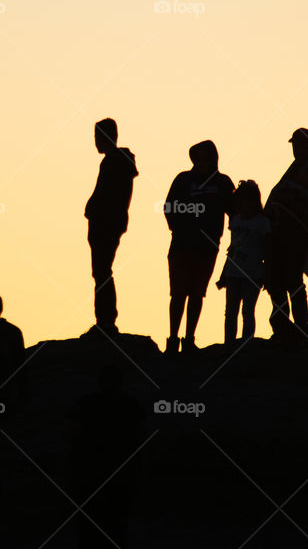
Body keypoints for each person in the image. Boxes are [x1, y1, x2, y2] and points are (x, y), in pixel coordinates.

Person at [264, 128, 308, 341]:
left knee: (293, 281)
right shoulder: (294, 170)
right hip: (279, 234)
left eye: (301, 145)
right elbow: (280, 195)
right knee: (275, 280)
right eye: (295, 146)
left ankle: (302, 328)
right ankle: (281, 326)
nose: (297, 150)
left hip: (301, 236)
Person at [163, 140, 234, 354]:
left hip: (207, 247)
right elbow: (169, 206)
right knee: (178, 294)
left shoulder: (223, 182)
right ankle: (173, 339)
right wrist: (179, 228)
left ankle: (189, 339)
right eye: (199, 158)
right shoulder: (183, 179)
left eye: (207, 158)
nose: (203, 162)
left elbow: (235, 210)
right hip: (181, 246)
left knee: (197, 294)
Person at [67, 365, 144, 549]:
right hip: (116, 474)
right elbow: (139, 438)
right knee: (116, 526)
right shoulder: (129, 404)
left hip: (92, 474)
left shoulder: (87, 403)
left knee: (91, 528)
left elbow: (72, 434)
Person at [84, 118, 138, 337]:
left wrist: (95, 212)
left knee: (102, 271)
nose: (96, 142)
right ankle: (105, 320)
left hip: (106, 224)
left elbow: (110, 196)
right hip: (106, 223)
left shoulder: (114, 161)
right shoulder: (116, 161)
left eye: (98, 137)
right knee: (101, 271)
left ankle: (106, 321)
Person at [215, 180, 271, 343]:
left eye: (243, 201)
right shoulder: (235, 220)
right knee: (230, 311)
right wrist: (224, 273)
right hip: (233, 272)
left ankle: (246, 343)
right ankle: (229, 343)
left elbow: (268, 250)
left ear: (253, 201)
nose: (239, 206)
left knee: (248, 311)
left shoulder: (262, 222)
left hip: (253, 273)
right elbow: (231, 248)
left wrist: (267, 274)